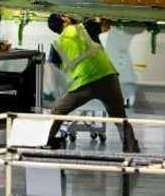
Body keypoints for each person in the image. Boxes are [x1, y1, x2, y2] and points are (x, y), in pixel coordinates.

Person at [46, 13, 139, 153]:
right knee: (120, 118)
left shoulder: (56, 45)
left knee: (57, 113)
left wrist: (57, 95)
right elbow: (105, 25)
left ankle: (44, 143)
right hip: (107, 77)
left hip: (83, 84)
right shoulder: (83, 27)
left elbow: (52, 72)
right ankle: (132, 151)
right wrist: (98, 17)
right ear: (64, 20)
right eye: (65, 15)